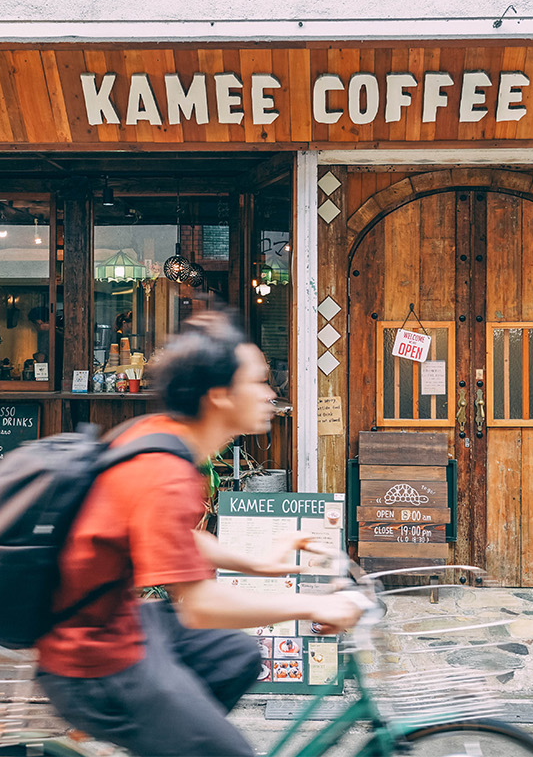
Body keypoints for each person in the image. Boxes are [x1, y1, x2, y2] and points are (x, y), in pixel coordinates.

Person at [35, 311, 363, 757]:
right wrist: (315, 603)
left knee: (237, 656)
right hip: (92, 659)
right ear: (219, 396)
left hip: (122, 621)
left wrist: (257, 562)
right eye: (259, 382)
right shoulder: (166, 469)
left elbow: (171, 536)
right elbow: (202, 606)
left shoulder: (167, 440)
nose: (272, 394)